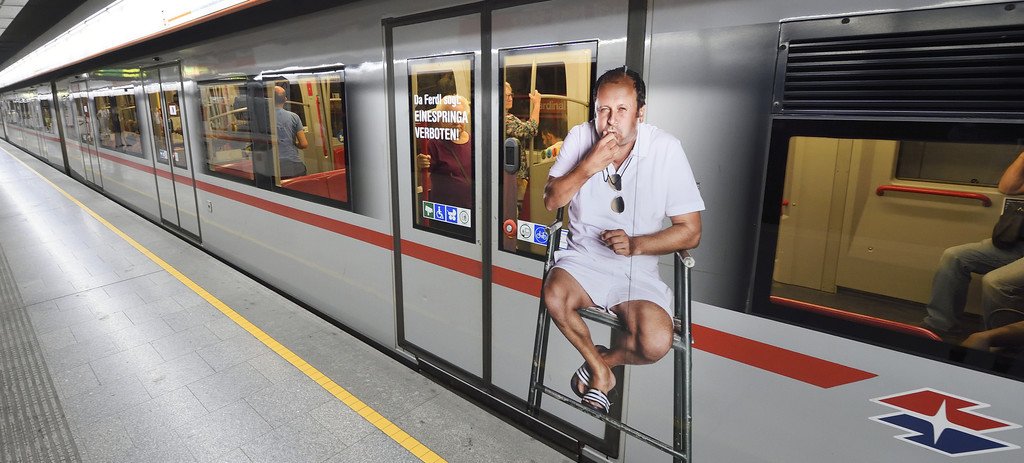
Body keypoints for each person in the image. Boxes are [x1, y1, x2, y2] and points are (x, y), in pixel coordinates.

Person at [542, 67, 704, 414]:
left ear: (640, 113)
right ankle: (602, 374)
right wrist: (588, 165)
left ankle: (603, 361)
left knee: (656, 343)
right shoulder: (580, 137)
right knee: (554, 294)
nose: (610, 120)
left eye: (621, 110)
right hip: (583, 259)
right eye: (602, 109)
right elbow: (551, 200)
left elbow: (691, 231)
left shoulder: (666, 149)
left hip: (637, 269)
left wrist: (636, 244)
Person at [921, 151, 1024, 335]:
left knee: (996, 282)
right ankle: (940, 325)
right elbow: (1008, 187)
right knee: (955, 256)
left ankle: (999, 340)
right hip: (1017, 243)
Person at [417, 95, 473, 209]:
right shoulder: (434, 144)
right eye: (450, 117)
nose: (456, 121)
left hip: (473, 207)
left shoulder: (475, 141)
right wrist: (419, 165)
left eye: (460, 116)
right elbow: (422, 179)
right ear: (441, 120)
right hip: (446, 211)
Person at [504, 82, 542, 202]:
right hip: (514, 176)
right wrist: (537, 104)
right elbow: (531, 129)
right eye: (506, 96)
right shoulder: (506, 120)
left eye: (511, 95)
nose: (510, 98)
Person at [274, 85, 309, 178]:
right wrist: (295, 144)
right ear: (285, 99)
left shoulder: (265, 118)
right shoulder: (294, 117)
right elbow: (304, 144)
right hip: (295, 165)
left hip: (275, 166)